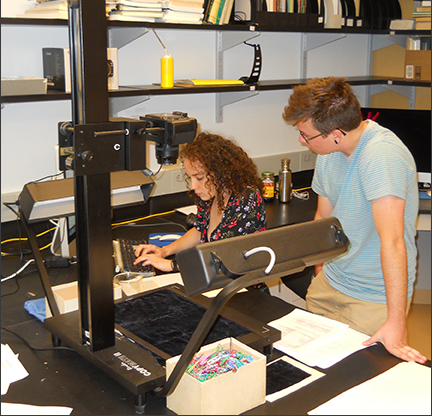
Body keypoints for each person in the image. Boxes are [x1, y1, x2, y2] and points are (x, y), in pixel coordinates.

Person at [282, 76, 427, 364]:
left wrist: (397, 322)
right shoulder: (330, 151)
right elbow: (324, 218)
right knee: (310, 369)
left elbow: (394, 242)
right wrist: (320, 272)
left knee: (358, 378)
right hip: (331, 282)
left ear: (335, 133)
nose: (301, 140)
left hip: (371, 296)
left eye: (305, 135)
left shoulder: (381, 157)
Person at [134, 131, 267, 272]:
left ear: (221, 173)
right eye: (190, 178)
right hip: (211, 280)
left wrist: (171, 265)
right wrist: (164, 251)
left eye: (199, 178)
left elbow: (223, 259)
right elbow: (200, 230)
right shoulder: (211, 194)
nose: (193, 186)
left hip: (239, 287)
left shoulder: (246, 198)